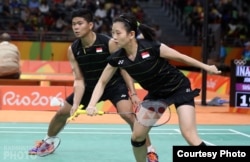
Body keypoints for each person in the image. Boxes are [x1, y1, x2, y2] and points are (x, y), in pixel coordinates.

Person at [85, 13, 222, 162]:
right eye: (112, 33)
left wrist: (206, 67)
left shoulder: (151, 46)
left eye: (118, 33)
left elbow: (181, 57)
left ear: (131, 34)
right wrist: (92, 104)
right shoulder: (117, 58)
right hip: (156, 95)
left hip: (179, 88)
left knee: (189, 134)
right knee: (137, 136)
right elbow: (102, 82)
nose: (114, 37)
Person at [28, 9, 159, 162]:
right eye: (73, 24)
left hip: (114, 85)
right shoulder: (73, 49)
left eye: (80, 23)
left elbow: (124, 69)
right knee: (62, 112)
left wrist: (134, 93)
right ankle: (48, 141)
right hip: (89, 87)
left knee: (129, 115)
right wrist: (76, 104)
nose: (76, 27)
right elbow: (78, 80)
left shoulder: (108, 43)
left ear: (90, 25)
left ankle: (150, 150)